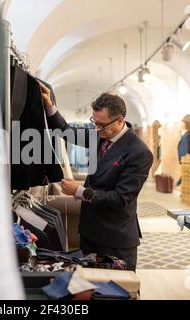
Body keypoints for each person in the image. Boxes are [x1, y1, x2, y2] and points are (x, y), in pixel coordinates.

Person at [39, 82, 153, 271]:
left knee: (117, 290)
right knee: (89, 287)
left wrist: (79, 191)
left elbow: (120, 198)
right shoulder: (99, 135)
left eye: (102, 124)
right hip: (89, 232)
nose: (97, 129)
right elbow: (66, 131)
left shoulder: (139, 152)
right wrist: (49, 104)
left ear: (120, 120)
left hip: (115, 239)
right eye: (94, 122)